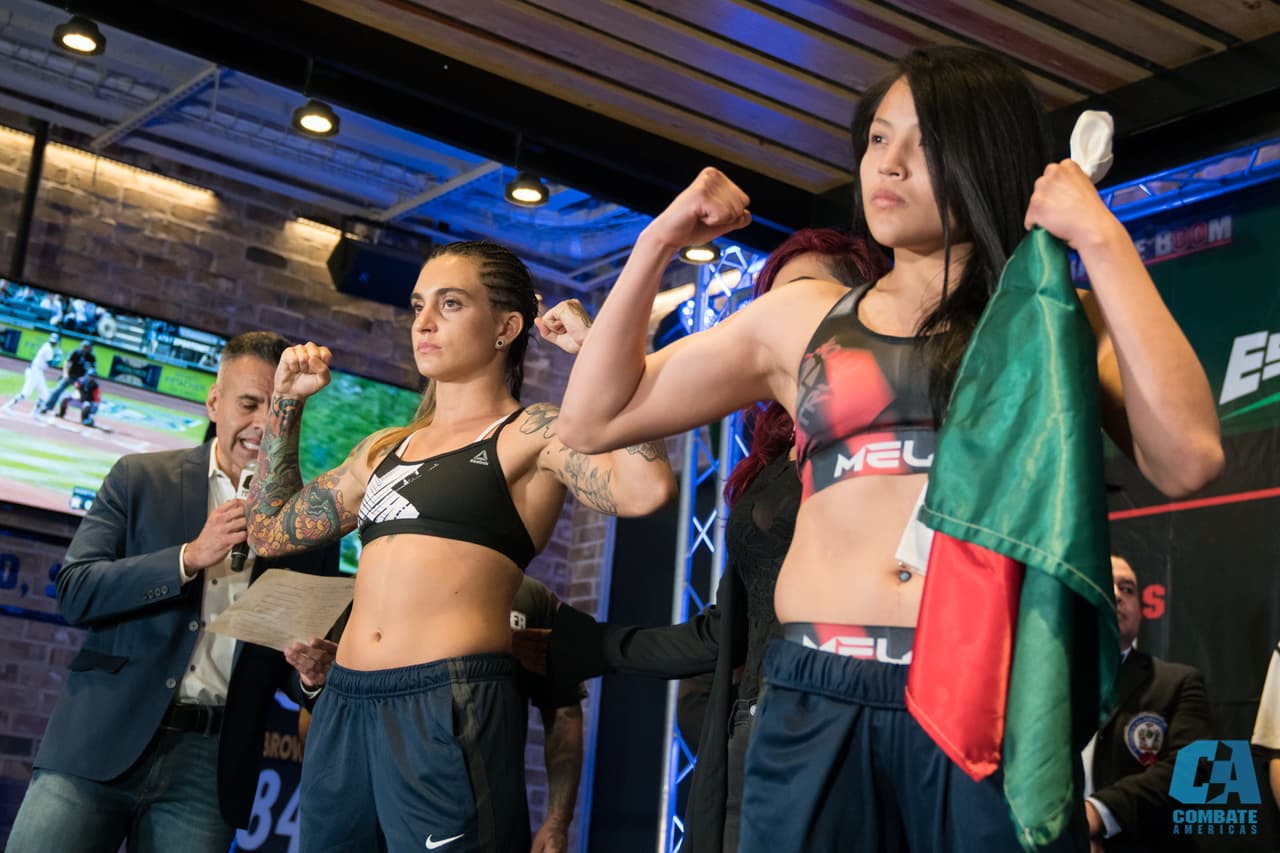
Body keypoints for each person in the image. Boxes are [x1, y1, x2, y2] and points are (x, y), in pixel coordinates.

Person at [557, 45, 1223, 852]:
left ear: (986, 154)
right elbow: (592, 419)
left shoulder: (1052, 319)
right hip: (814, 694)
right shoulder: (803, 316)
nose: (889, 163)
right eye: (878, 138)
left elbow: (1188, 456)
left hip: (978, 703)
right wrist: (659, 239)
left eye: (923, 143)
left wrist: (1101, 237)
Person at [245, 240, 677, 853]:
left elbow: (645, 488)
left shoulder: (532, 432)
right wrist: (286, 402)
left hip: (445, 703)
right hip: (345, 704)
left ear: (507, 327)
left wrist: (595, 351)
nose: (423, 322)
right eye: (418, 305)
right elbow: (268, 530)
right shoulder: (383, 448)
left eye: (450, 304)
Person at [535, 228, 886, 853]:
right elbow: (726, 629)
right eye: (770, 300)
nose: (781, 314)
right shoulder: (771, 469)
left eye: (805, 292)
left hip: (855, 719)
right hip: (757, 732)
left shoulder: (892, 452)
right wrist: (596, 646)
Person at [5, 331, 342, 853]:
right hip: (99, 741)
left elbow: (290, 671)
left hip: (209, 769)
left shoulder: (308, 523)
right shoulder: (140, 478)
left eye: (277, 406)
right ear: (213, 402)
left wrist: (313, 678)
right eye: (248, 404)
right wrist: (188, 557)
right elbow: (75, 590)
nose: (262, 422)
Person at [1083, 556, 1213, 852]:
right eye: (1104, 584)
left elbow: (1194, 771)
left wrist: (1098, 813)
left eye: (1128, 589)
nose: (1117, 595)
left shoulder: (1177, 683)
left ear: (1141, 612)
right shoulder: (1039, 687)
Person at [510, 575, 586, 853]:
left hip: (497, 807)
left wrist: (557, 820)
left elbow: (563, 710)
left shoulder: (530, 596)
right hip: (407, 798)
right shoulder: (406, 580)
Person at [4, 331, 60, 414]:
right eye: (53, 341)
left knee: (44, 394)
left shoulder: (47, 346)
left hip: (38, 372)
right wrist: (58, 359)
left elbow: (49, 360)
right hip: (34, 371)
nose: (53, 343)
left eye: (54, 342)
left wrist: (56, 356)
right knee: (26, 393)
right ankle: (8, 406)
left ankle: (35, 413)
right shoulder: (48, 348)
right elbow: (51, 364)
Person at [38, 339, 95, 416]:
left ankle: (86, 416)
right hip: (70, 376)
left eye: (87, 347)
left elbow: (92, 370)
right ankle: (47, 407)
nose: (85, 348)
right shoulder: (76, 352)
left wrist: (84, 379)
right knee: (57, 390)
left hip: (81, 379)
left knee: (85, 396)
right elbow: (67, 363)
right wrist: (65, 374)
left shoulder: (91, 357)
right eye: (84, 346)